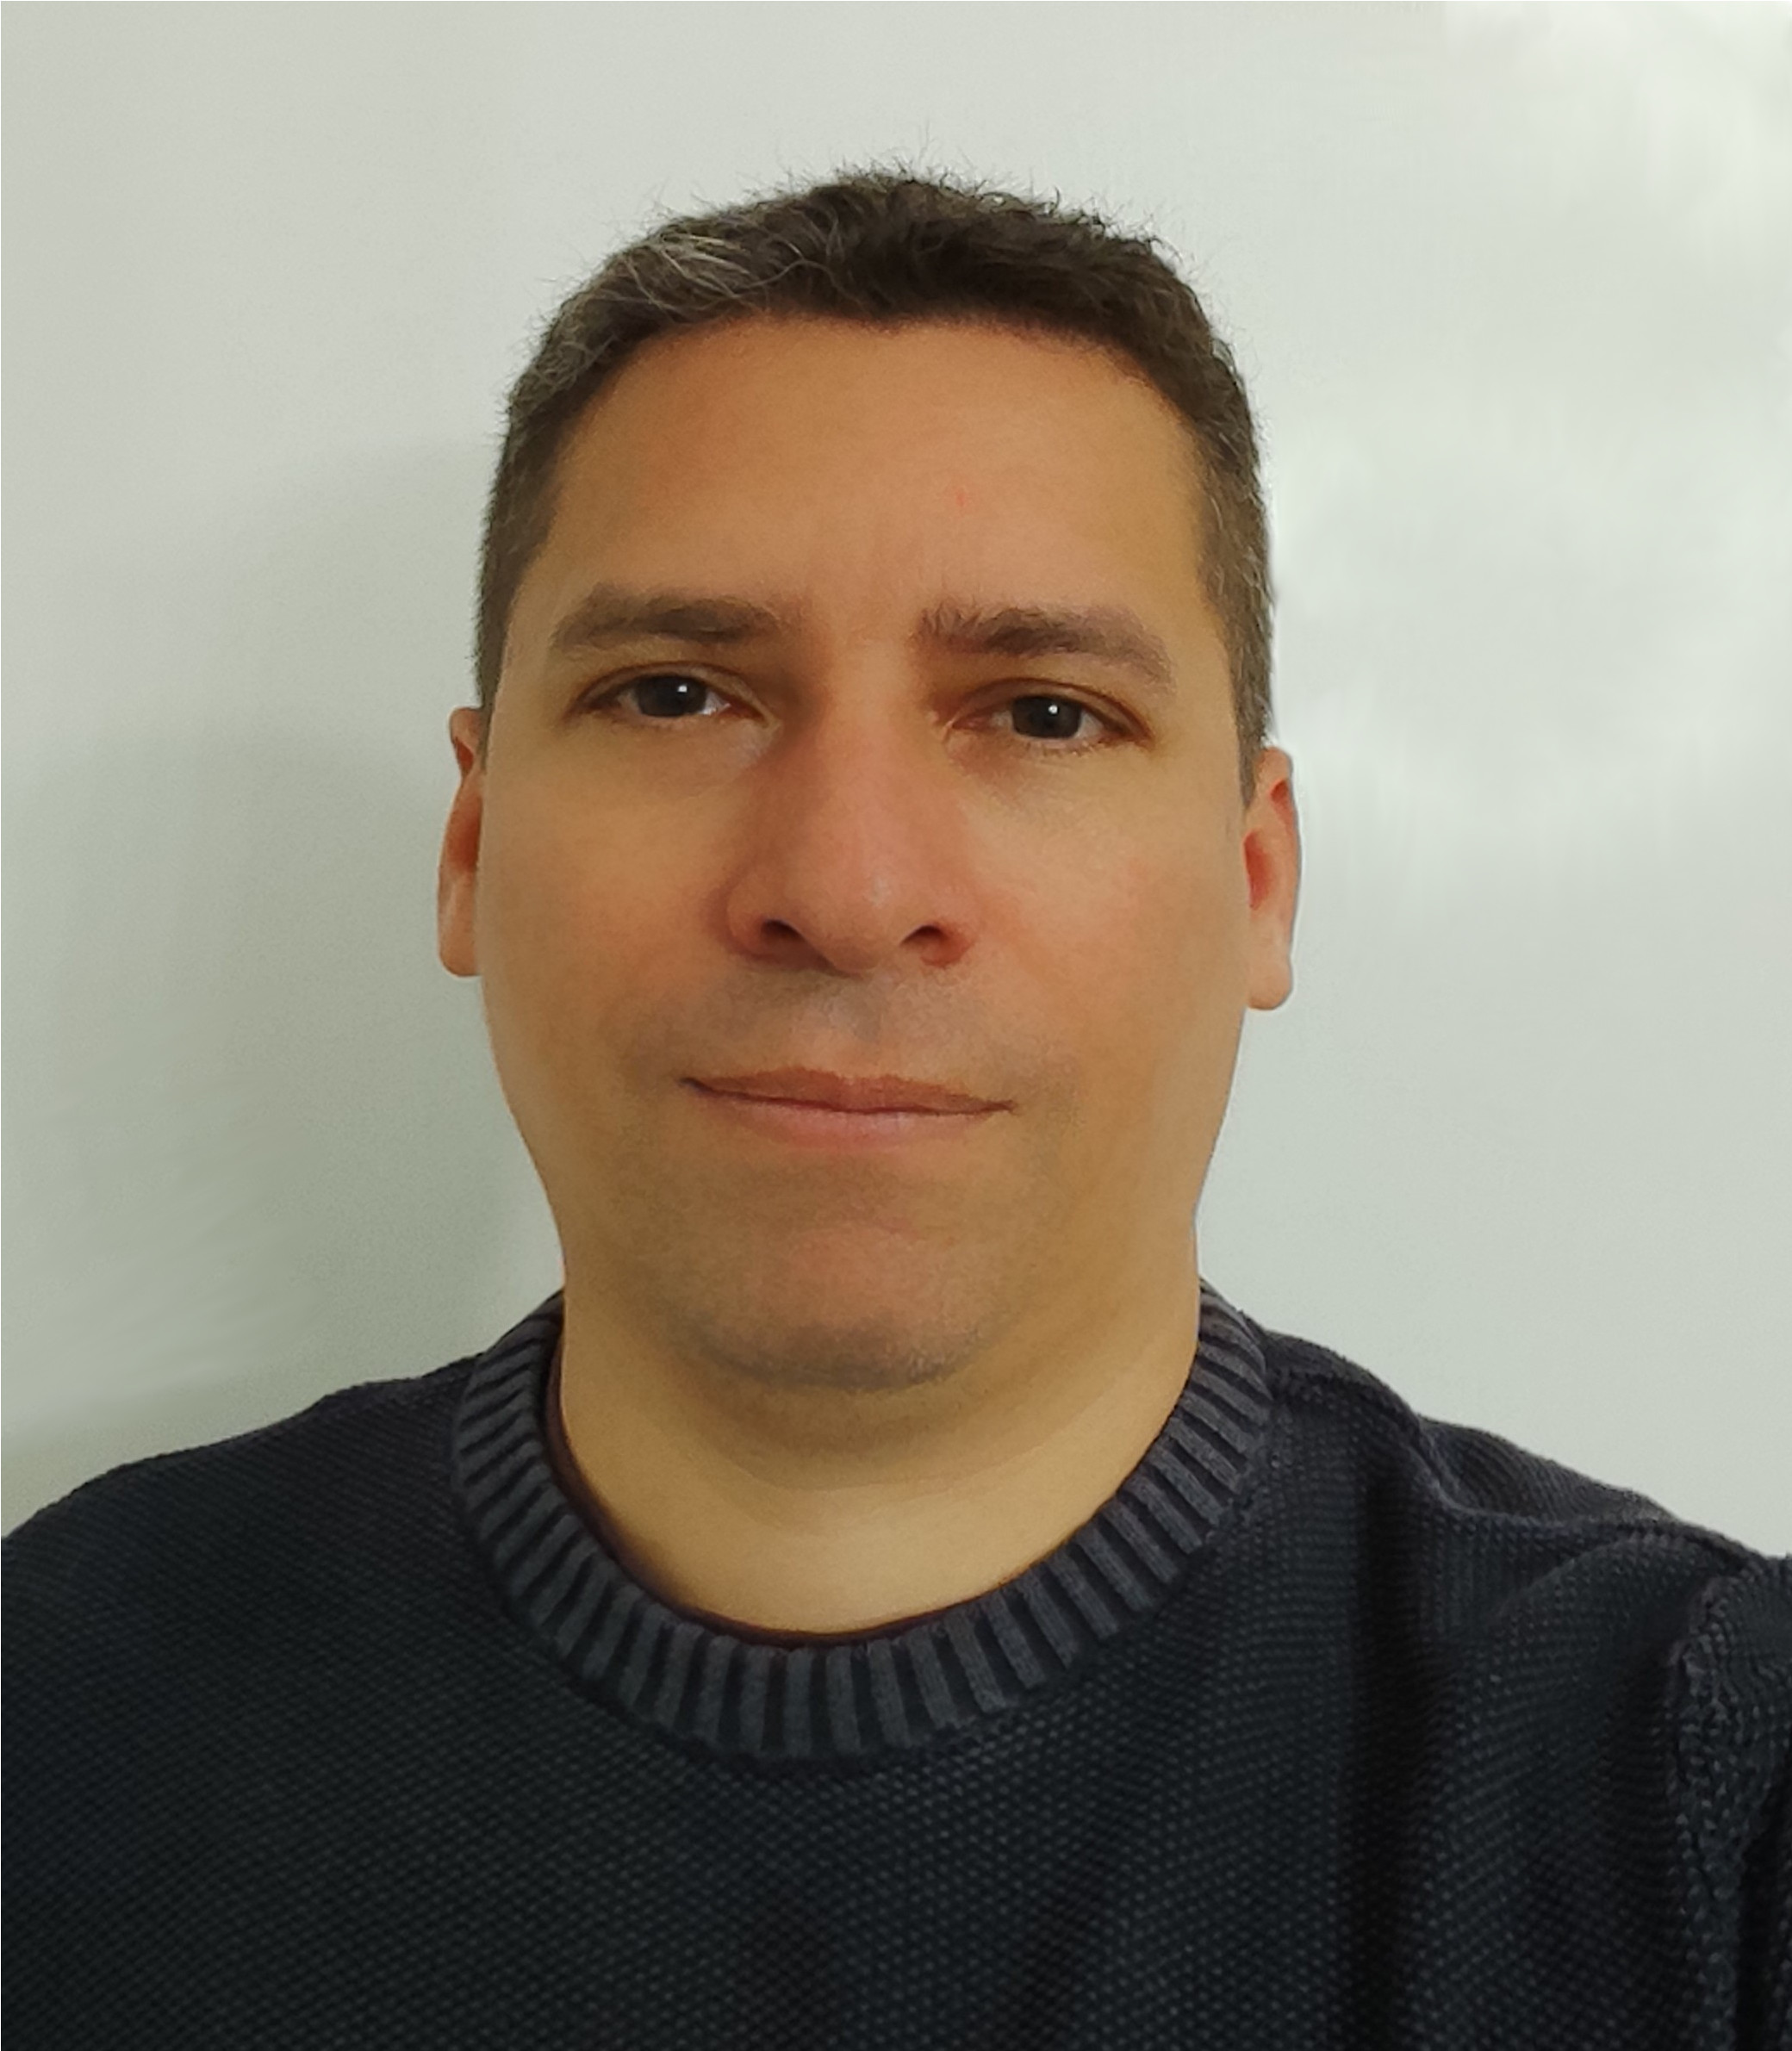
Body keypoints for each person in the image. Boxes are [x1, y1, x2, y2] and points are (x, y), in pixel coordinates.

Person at [6, 167, 1788, 2051]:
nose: (847, 889)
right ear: (470, 841)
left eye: (1040, 713)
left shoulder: (1714, 1802)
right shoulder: (58, 1703)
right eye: (676, 693)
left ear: (1257, 878)